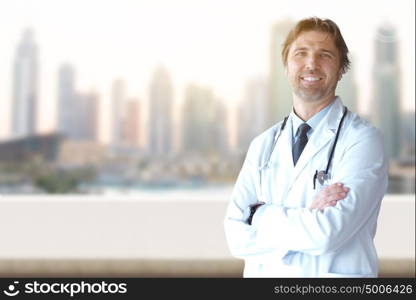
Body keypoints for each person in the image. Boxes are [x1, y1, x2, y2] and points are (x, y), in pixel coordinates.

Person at [224, 17, 388, 277]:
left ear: (341, 69)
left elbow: (326, 235)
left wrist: (259, 214)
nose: (311, 63)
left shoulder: (363, 140)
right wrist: (307, 217)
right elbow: (235, 235)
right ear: (286, 66)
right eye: (301, 53)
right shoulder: (263, 144)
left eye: (325, 55)